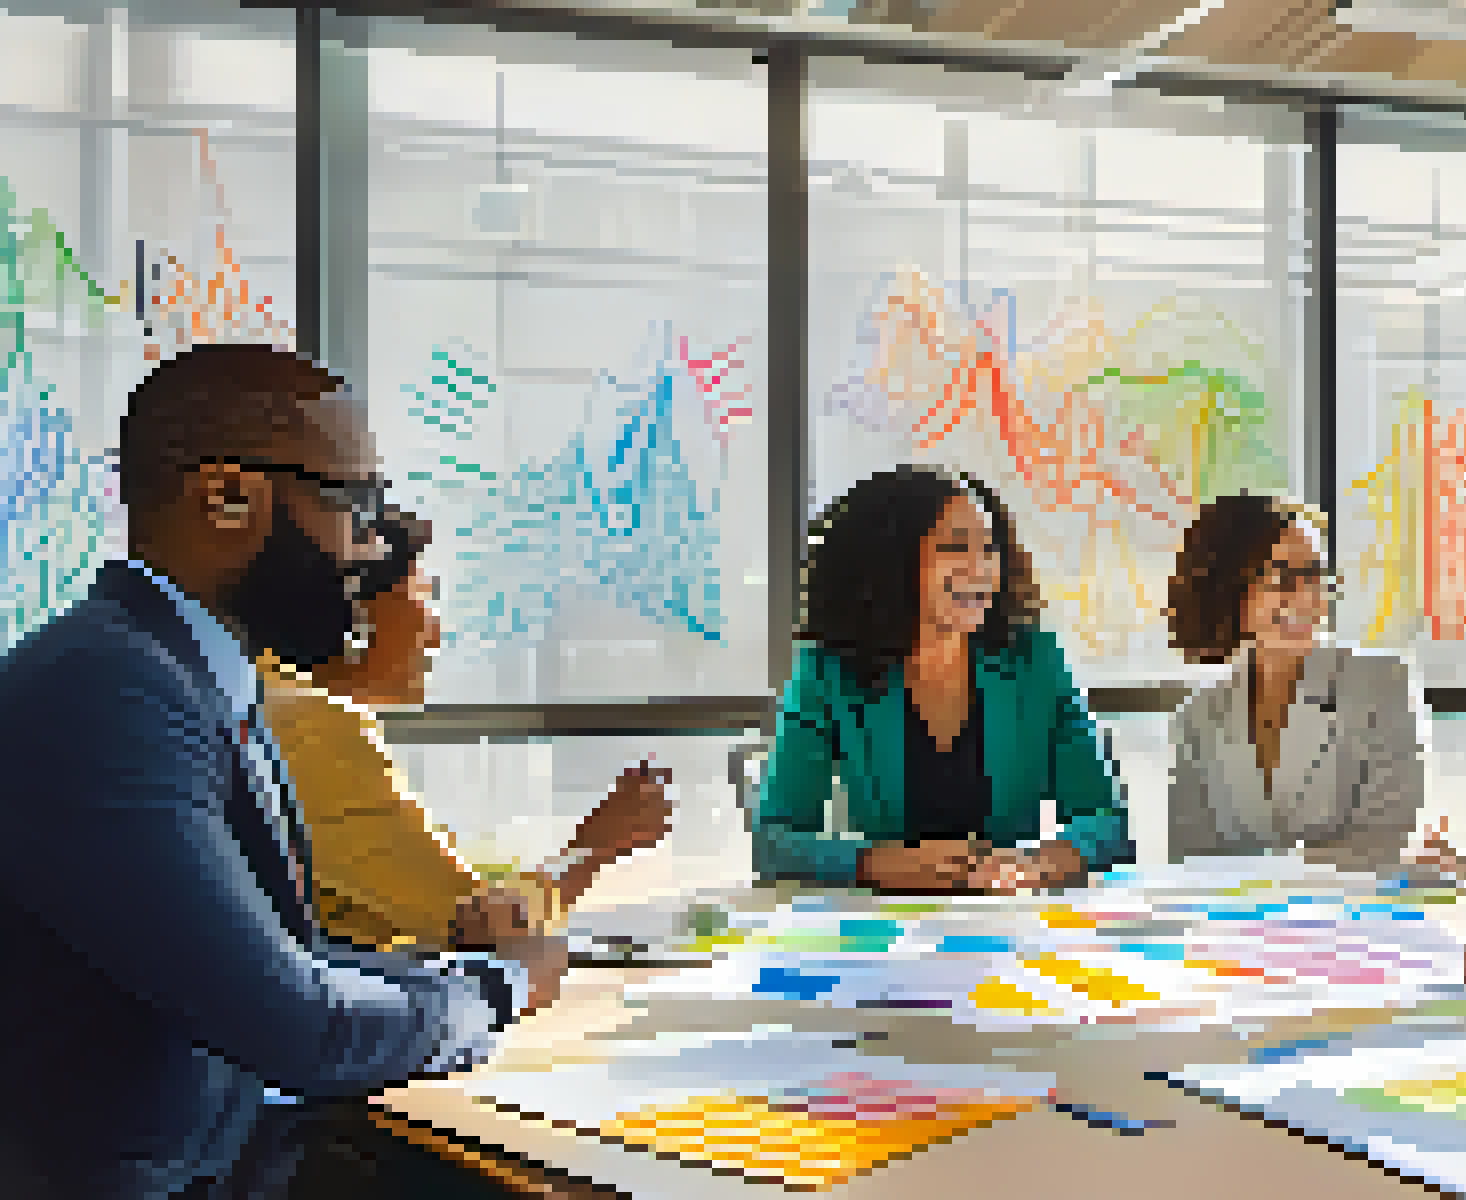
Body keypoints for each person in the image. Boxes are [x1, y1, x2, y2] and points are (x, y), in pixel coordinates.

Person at [0, 344, 566, 1199]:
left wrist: (454, 979)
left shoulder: (194, 673)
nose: (369, 547)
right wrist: (501, 987)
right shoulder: (107, 689)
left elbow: (281, 955)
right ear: (227, 499)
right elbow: (296, 1022)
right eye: (354, 504)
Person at [260, 507, 675, 952]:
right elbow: (482, 925)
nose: (434, 632)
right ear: (355, 616)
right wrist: (593, 848)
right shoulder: (316, 729)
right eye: (423, 595)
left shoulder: (270, 699)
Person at [754, 465, 1131, 893]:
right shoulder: (827, 670)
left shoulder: (1035, 659)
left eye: (989, 548)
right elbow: (773, 842)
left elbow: (1107, 822)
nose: (982, 567)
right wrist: (876, 865)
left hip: (1007, 919)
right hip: (886, 926)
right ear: (889, 560)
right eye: (956, 547)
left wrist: (1040, 864)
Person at [1162, 493, 1459, 880]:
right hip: (1235, 928)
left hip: (1353, 924)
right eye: (1283, 578)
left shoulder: (1382, 685)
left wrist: (1261, 872)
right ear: (1232, 589)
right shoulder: (1200, 715)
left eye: (1315, 575)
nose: (1307, 598)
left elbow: (1386, 843)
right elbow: (1190, 860)